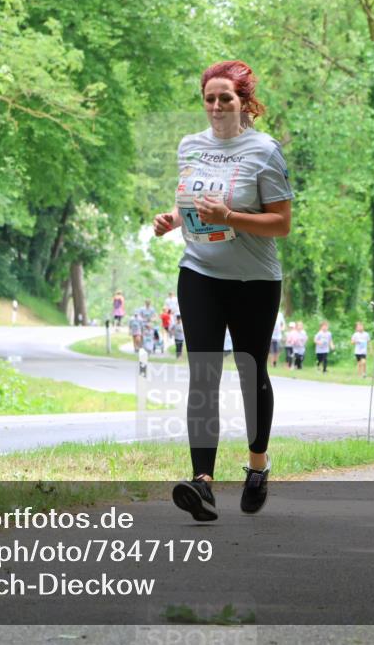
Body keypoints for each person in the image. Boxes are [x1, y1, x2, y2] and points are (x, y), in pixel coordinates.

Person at [152, 59, 293, 521]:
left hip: (254, 280)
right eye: (209, 98)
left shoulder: (265, 150)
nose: (215, 106)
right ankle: (203, 483)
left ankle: (257, 466)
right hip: (199, 273)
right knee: (203, 375)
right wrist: (172, 219)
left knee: (251, 373)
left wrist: (229, 218)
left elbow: (281, 223)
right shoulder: (190, 146)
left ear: (244, 102)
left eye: (225, 98)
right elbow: (188, 199)